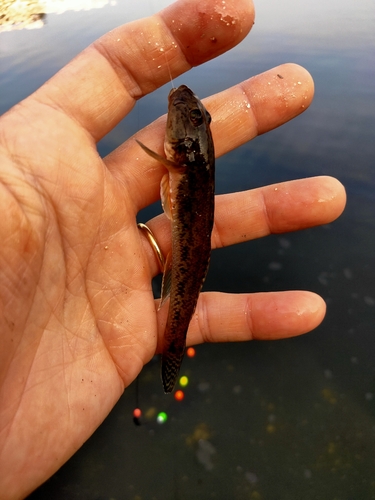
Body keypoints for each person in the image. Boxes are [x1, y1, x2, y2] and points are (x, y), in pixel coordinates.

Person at [0, 0, 346, 497]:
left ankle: (170, 353)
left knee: (183, 301)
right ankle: (171, 352)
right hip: (185, 228)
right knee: (183, 299)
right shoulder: (185, 158)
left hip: (187, 236)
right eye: (194, 118)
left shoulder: (185, 155)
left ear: (183, 150)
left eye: (193, 118)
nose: (186, 111)